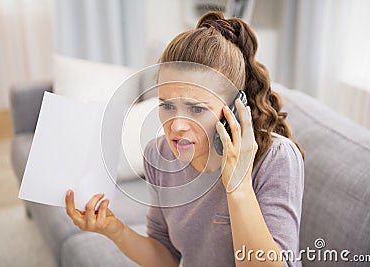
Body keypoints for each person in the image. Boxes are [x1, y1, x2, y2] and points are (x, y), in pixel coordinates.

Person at [65, 11, 305, 267]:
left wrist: (239, 186)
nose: (176, 126)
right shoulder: (160, 156)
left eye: (197, 109)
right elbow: (167, 258)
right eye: (167, 106)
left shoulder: (275, 158)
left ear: (234, 110)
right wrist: (114, 229)